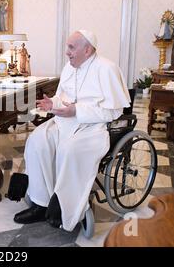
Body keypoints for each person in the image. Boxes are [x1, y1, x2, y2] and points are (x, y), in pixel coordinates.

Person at [13, 30, 130, 232]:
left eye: (71, 47)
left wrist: (77, 110)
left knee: (69, 151)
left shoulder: (107, 68)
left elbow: (114, 111)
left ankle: (68, 209)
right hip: (62, 123)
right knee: (37, 141)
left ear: (87, 49)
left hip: (92, 128)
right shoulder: (69, 67)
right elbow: (63, 98)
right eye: (67, 47)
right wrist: (54, 103)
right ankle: (40, 203)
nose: (67, 52)